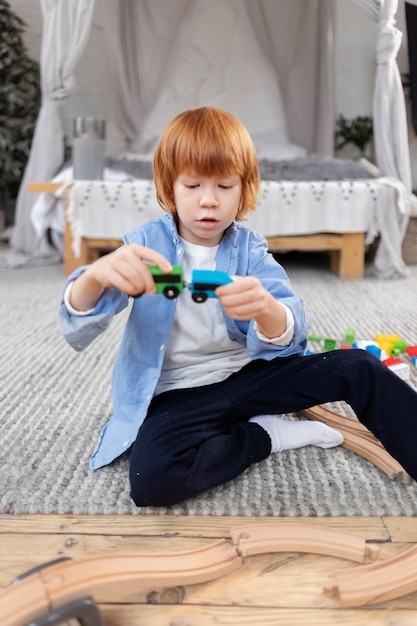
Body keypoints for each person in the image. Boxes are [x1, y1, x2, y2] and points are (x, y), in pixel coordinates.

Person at [59, 106, 417, 507]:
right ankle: (266, 435)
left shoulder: (250, 250)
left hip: (253, 376)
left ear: (244, 188)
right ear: (169, 187)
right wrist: (95, 276)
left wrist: (265, 308)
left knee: (358, 366)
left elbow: (291, 328)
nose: (208, 202)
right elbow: (79, 323)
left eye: (224, 186)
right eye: (193, 186)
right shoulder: (144, 245)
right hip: (182, 393)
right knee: (151, 479)